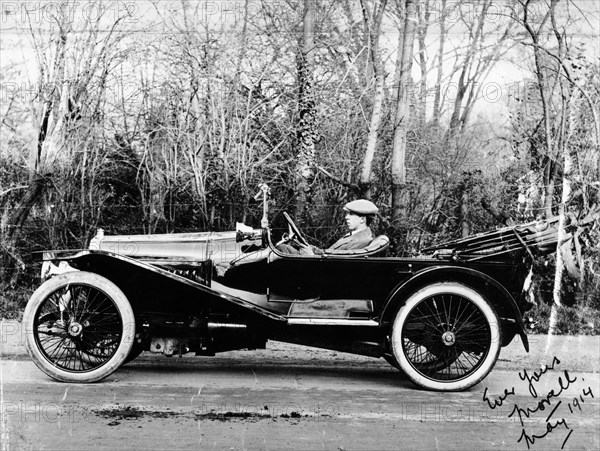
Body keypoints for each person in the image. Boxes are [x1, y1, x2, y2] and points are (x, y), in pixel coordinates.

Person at [277, 199, 379, 255]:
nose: (346, 217)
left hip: (323, 274)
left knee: (281, 250)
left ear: (362, 219)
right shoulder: (354, 235)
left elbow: (336, 266)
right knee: (282, 248)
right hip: (321, 264)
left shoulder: (362, 241)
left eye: (351, 214)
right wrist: (307, 247)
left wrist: (311, 257)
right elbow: (329, 252)